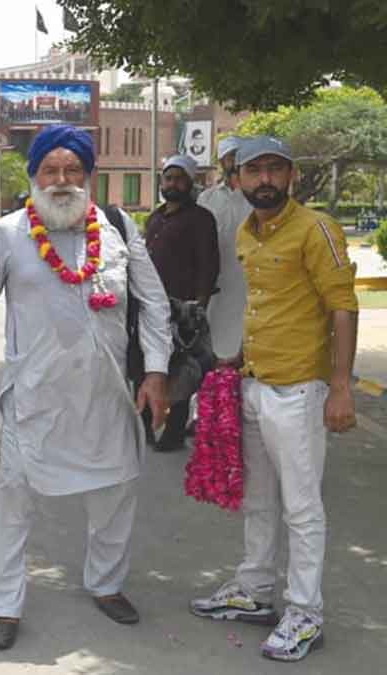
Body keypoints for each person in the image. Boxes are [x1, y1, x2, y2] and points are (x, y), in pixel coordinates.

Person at [0, 125, 172, 650]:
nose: (61, 181)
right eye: (50, 171)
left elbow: (154, 302)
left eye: (72, 171)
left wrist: (155, 373)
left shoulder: (117, 228)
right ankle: (0, 604)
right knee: (12, 499)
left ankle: (106, 584)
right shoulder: (9, 233)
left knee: (116, 489)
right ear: (34, 177)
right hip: (34, 396)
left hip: (106, 392)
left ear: (87, 176)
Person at [190, 136, 358, 663]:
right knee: (258, 497)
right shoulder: (246, 231)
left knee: (302, 506)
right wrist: (237, 359)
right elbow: (264, 305)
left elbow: (343, 307)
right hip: (255, 382)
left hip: (300, 390)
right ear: (236, 178)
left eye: (274, 170)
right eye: (253, 170)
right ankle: (255, 589)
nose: (264, 179)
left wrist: (341, 385)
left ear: (292, 177)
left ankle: (305, 613)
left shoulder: (316, 230)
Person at [143, 154, 220, 451]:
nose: (173, 183)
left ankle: (173, 433)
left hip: (184, 308)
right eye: (168, 178)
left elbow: (209, 265)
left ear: (190, 182)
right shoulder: (156, 217)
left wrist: (197, 307)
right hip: (152, 307)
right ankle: (148, 426)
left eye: (180, 178)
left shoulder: (201, 219)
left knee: (181, 371)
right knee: (149, 365)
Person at [197, 136, 252, 361]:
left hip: (251, 281)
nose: (233, 162)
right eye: (228, 157)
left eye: (237, 156)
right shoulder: (207, 197)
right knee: (217, 348)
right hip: (218, 283)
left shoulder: (256, 196)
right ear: (221, 161)